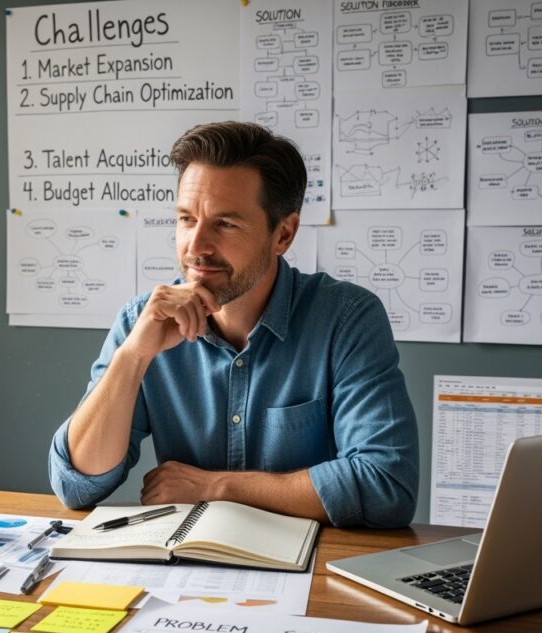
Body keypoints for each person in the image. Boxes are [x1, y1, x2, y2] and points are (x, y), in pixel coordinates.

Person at [48, 121, 418, 527]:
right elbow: (76, 485)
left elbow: (387, 485)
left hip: (308, 572)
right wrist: (133, 356)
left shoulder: (346, 319)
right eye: (187, 219)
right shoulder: (144, 320)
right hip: (180, 570)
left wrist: (216, 489)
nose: (196, 246)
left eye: (225, 224)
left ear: (283, 234)